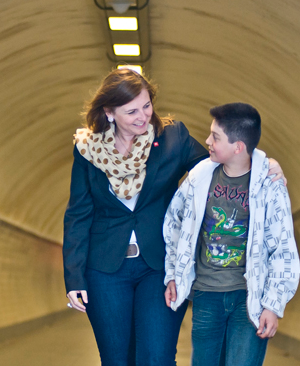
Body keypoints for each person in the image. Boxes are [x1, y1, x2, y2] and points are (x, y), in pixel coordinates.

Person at [63, 68, 286, 366]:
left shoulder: (172, 138)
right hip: (104, 269)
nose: (143, 116)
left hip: (158, 266)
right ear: (109, 112)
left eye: (146, 105)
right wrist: (74, 276)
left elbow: (219, 162)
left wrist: (264, 161)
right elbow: (78, 213)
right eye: (131, 111)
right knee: (116, 359)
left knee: (156, 356)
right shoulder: (87, 151)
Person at [164, 102, 300, 366]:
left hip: (248, 298)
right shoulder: (199, 177)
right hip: (206, 295)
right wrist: (173, 273)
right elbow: (174, 223)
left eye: (215, 137)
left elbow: (283, 248)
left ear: (238, 147)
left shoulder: (270, 187)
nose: (207, 141)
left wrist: (273, 305)